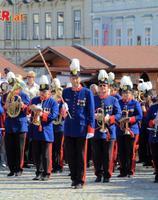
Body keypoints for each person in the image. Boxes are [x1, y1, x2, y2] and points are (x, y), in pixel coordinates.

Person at [61, 58, 95, 189]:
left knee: (81, 155)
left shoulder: (86, 92)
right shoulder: (65, 92)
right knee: (70, 155)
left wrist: (91, 129)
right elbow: (61, 110)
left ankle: (80, 180)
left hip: (81, 128)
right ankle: (74, 177)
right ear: (70, 79)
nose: (75, 81)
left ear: (80, 79)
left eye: (77, 78)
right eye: (73, 78)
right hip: (68, 128)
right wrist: (63, 109)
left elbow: (90, 112)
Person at [26, 75, 58, 181]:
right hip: (35, 130)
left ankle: (46, 172)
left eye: (44, 91)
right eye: (41, 91)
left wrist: (41, 113)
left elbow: (53, 116)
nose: (42, 93)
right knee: (37, 154)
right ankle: (38, 172)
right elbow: (27, 111)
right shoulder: (34, 100)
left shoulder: (53, 102)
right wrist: (30, 108)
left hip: (46, 131)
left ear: (49, 91)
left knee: (45, 155)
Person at [92, 70, 122, 183]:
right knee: (96, 155)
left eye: (104, 85)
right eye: (100, 86)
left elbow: (119, 115)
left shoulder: (114, 100)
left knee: (108, 155)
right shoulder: (94, 99)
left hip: (109, 131)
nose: (102, 88)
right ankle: (98, 174)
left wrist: (109, 119)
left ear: (108, 87)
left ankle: (106, 175)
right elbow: (88, 113)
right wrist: (94, 116)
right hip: (96, 130)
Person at [2, 72, 30, 177]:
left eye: (14, 85)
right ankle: (11, 169)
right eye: (11, 85)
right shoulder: (5, 96)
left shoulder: (23, 95)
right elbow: (1, 110)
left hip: (20, 125)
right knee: (9, 148)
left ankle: (19, 168)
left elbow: (28, 111)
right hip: (9, 125)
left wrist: (22, 106)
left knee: (19, 148)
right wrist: (5, 107)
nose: (12, 87)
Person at [116, 76, 142, 178]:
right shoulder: (119, 102)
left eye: (128, 93)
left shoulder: (135, 103)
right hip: (120, 130)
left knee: (130, 151)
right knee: (121, 151)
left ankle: (130, 171)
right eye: (124, 93)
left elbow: (139, 116)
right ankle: (123, 171)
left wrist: (130, 119)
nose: (126, 95)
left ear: (131, 94)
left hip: (131, 130)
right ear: (122, 94)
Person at [50, 78, 65, 173]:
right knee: (53, 147)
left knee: (59, 148)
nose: (54, 92)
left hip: (60, 126)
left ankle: (59, 165)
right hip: (52, 126)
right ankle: (54, 164)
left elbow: (64, 114)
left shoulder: (62, 101)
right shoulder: (51, 101)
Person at [139, 81, 153, 166]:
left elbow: (150, 115)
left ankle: (150, 160)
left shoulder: (152, 104)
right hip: (143, 126)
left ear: (150, 96)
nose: (145, 97)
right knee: (142, 143)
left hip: (149, 126)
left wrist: (144, 111)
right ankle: (144, 159)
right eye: (144, 96)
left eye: (146, 96)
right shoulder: (143, 103)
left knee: (149, 145)